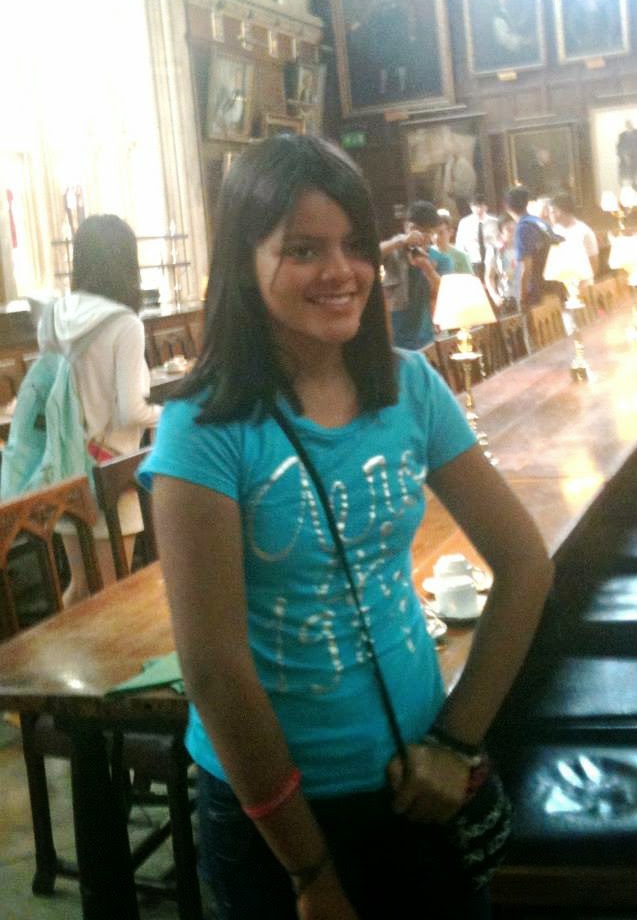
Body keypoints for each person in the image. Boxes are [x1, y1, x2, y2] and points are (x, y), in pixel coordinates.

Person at [140, 135, 553, 919]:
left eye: (354, 245)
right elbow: (216, 672)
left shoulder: (409, 385)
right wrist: (309, 873)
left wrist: (456, 742)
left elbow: (526, 565)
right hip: (276, 817)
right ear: (244, 263)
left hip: (413, 783)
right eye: (303, 249)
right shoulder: (204, 426)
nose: (341, 271)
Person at [39, 214, 160, 602]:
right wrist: (171, 416)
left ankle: (64, 643)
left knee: (79, 589)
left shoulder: (60, 317)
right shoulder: (124, 324)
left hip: (66, 470)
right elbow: (131, 410)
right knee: (111, 597)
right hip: (111, 474)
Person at [380, 200, 452, 349]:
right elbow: (370, 255)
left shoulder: (441, 259)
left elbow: (447, 294)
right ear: (405, 226)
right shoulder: (394, 252)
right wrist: (400, 241)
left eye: (426, 231)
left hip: (426, 336)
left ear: (432, 233)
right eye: (414, 229)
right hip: (393, 335)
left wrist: (428, 269)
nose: (419, 235)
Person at [504, 185, 563, 309]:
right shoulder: (538, 222)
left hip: (537, 289)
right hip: (553, 282)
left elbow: (526, 268)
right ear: (526, 203)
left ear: (507, 207)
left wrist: (522, 297)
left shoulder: (522, 229)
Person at [549, 192, 599, 283]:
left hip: (582, 283)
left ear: (559, 212)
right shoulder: (555, 230)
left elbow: (594, 262)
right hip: (562, 282)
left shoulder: (584, 232)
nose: (549, 215)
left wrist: (584, 282)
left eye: (552, 212)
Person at [455, 194, 499, 281]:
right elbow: (459, 244)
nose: (479, 209)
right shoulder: (464, 223)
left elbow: (499, 241)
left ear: (486, 207)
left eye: (481, 206)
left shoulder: (494, 222)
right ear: (471, 207)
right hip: (473, 261)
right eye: (475, 206)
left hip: (491, 261)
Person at [483, 213, 519, 315]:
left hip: (525, 295)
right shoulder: (494, 250)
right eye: (509, 230)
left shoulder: (523, 247)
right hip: (507, 298)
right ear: (501, 232)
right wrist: (495, 296)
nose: (513, 233)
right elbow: (489, 277)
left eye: (515, 228)